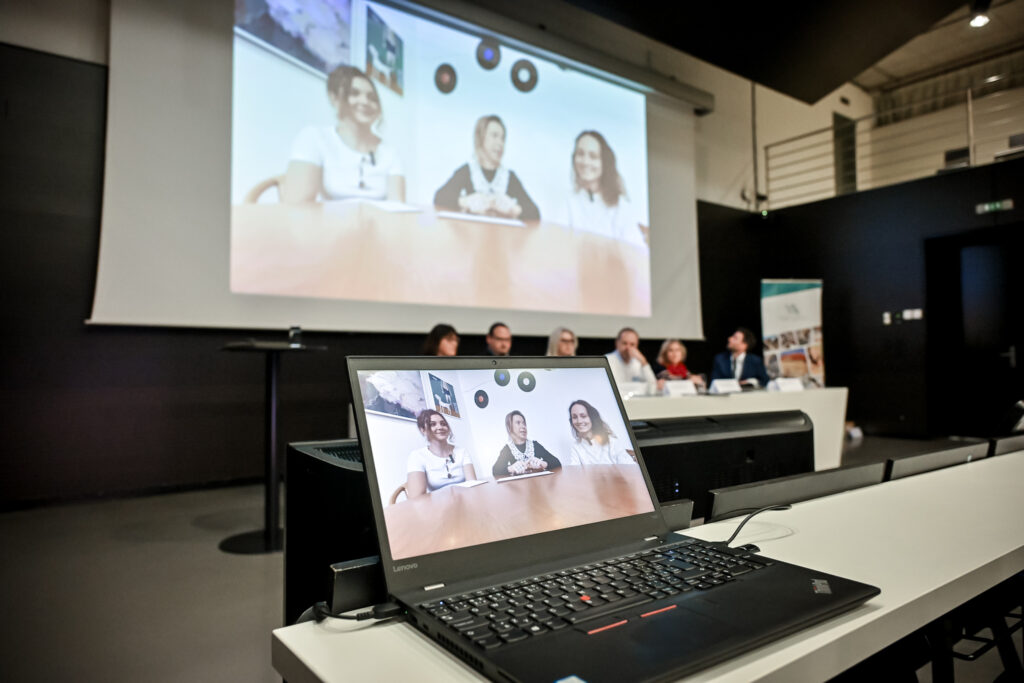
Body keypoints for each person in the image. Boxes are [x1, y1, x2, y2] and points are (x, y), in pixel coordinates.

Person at [283, 65, 405, 203]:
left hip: (377, 218)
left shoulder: (390, 152)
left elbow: (398, 206)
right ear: (334, 98)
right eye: (354, 93)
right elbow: (296, 205)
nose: (365, 102)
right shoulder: (314, 137)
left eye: (372, 98)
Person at [433, 115, 540, 221]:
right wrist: (466, 201)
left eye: (503, 138)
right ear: (481, 138)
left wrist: (514, 209)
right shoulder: (467, 171)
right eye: (494, 136)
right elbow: (439, 197)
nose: (500, 143)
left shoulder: (509, 177)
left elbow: (535, 213)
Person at [565, 130, 646, 247]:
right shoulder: (568, 200)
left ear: (604, 162)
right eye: (580, 154)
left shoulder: (621, 206)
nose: (585, 162)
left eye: (593, 156)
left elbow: (635, 251)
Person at [405, 409, 476, 498]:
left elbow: (472, 484)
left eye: (443, 424)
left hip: (465, 499)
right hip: (438, 503)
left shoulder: (462, 451)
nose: (440, 427)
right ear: (423, 430)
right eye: (433, 424)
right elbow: (416, 498)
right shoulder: (417, 456)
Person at [492, 410, 562, 478]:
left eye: (524, 423)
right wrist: (511, 468)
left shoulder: (535, 445)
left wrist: (543, 464)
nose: (523, 426)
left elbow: (557, 463)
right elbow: (495, 471)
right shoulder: (507, 449)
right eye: (518, 423)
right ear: (510, 427)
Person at [568, 400, 635, 466]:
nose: (579, 421)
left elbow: (630, 467)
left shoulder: (612, 441)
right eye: (574, 417)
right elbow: (573, 469)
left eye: (583, 416)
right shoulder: (576, 447)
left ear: (592, 417)